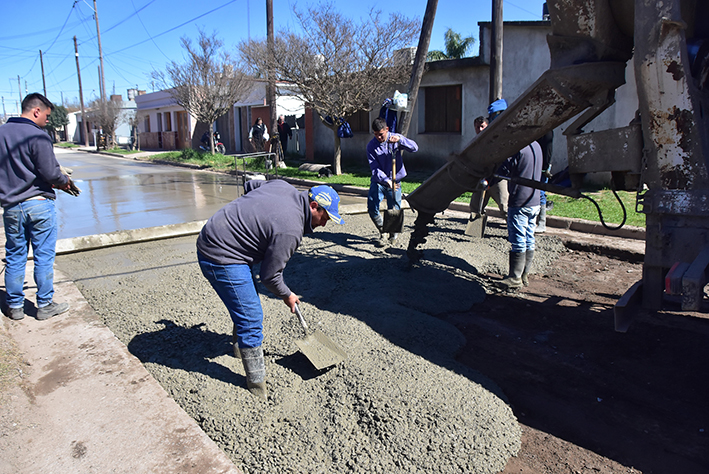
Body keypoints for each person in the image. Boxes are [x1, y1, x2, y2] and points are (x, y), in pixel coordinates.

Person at [196, 180, 344, 400]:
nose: (324, 224)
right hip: (220, 254)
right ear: (314, 206)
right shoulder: (290, 230)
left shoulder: (282, 186)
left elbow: (250, 184)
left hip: (219, 234)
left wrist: (247, 216)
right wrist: (288, 294)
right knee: (251, 317)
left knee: (245, 300)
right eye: (325, 218)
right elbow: (269, 276)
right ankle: (257, 386)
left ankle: (239, 349)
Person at [0, 93, 75, 321]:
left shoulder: (1, 133)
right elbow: (51, 173)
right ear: (36, 111)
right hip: (38, 204)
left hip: (11, 207)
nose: (47, 121)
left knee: (14, 255)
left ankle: (14, 307)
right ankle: (44, 305)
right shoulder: (38, 136)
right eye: (47, 116)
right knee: (43, 255)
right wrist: (65, 182)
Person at [492, 99, 543, 290]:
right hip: (535, 200)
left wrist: (489, 177)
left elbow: (502, 171)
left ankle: (514, 277)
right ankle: (524, 275)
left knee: (518, 240)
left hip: (520, 201)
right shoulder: (536, 145)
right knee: (529, 237)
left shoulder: (516, 148)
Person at [366, 116, 418, 247]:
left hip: (396, 181)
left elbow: (415, 148)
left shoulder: (395, 139)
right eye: (376, 135)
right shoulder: (371, 146)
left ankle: (393, 236)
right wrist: (386, 180)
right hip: (379, 181)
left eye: (381, 134)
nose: (379, 137)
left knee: (394, 208)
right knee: (372, 208)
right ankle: (383, 229)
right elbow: (375, 168)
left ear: (387, 129)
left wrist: (401, 140)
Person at [469, 115, 509, 221]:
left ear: (488, 126)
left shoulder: (496, 140)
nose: (480, 129)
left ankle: (513, 230)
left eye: (482, 126)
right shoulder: (474, 143)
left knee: (504, 206)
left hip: (497, 177)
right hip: (482, 178)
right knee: (475, 206)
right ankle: (475, 228)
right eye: (477, 127)